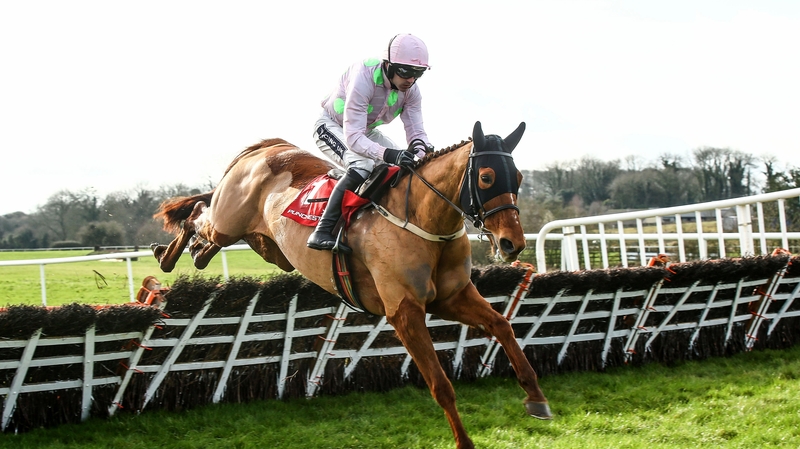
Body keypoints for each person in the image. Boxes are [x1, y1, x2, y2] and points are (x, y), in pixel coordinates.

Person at [307, 33, 434, 253]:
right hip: (332, 126)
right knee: (363, 165)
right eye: (406, 72)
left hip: (365, 130)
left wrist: (422, 152)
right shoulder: (363, 77)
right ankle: (322, 231)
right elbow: (354, 138)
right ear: (388, 65)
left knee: (402, 165)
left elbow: (417, 132)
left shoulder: (412, 91)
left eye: (418, 74)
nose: (411, 80)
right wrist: (389, 154)